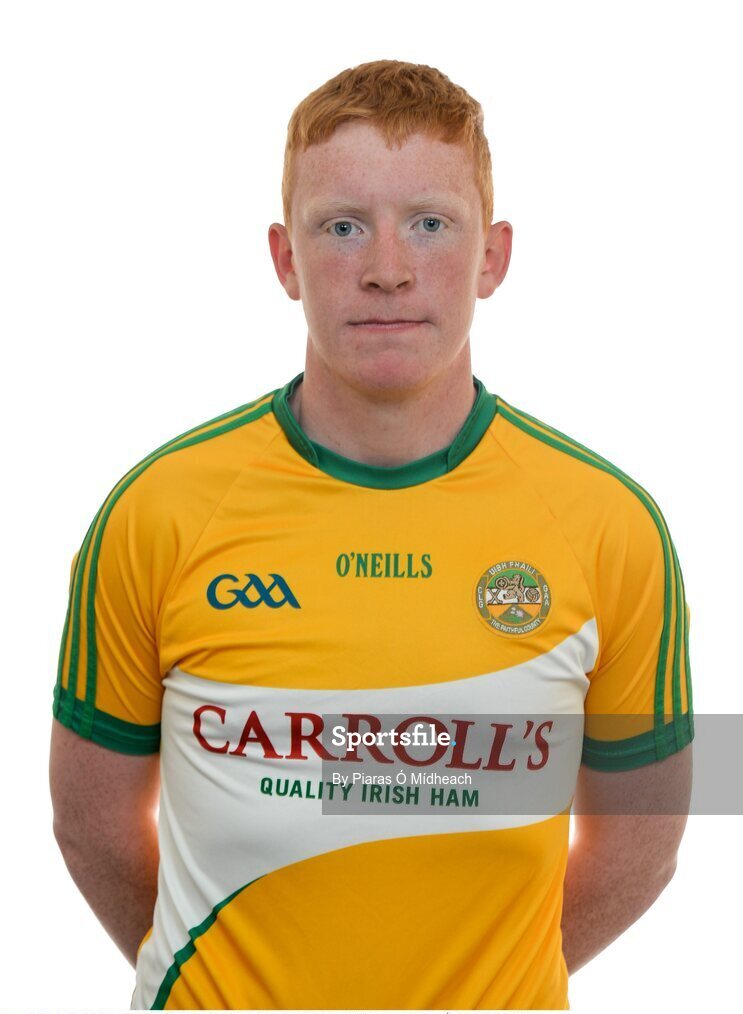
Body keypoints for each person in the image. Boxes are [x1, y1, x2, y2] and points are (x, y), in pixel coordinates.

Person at [49, 59, 693, 1011]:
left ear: (492, 256)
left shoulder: (610, 526)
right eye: (342, 226)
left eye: (430, 223)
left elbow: (644, 844)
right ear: (284, 258)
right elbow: (90, 823)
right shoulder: (157, 511)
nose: (387, 267)